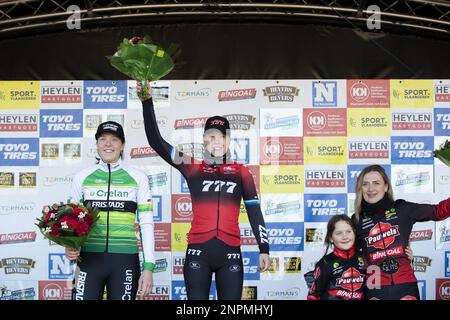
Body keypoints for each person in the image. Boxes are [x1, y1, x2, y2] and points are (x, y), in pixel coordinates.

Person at [137, 81, 270, 300]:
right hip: (199, 251)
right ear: (204, 140)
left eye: (222, 136)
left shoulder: (241, 172)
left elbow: (254, 212)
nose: (216, 142)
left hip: (230, 253)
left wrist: (263, 248)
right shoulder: (192, 166)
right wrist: (146, 102)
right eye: (211, 136)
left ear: (229, 140)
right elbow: (156, 142)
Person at [65, 121, 156, 300]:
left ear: (122, 145)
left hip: (125, 260)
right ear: (97, 144)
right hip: (89, 260)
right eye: (103, 139)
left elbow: (146, 223)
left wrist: (148, 267)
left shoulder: (138, 177)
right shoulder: (82, 177)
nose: (108, 144)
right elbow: (70, 220)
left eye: (114, 140)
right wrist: (70, 244)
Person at [352, 164, 450, 300]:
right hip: (374, 286)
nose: (371, 189)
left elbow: (437, 212)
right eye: (365, 184)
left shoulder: (402, 208)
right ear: (360, 189)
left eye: (376, 183)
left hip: (405, 283)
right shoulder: (356, 220)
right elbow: (349, 255)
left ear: (386, 187)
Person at [307, 214, 366, 300]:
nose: (345, 237)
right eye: (339, 233)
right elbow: (313, 296)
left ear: (354, 233)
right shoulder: (325, 263)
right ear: (331, 237)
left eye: (348, 232)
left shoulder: (364, 259)